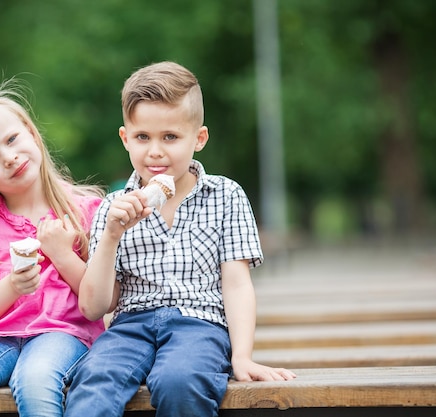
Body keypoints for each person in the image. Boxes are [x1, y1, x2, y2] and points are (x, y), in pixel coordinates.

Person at [64, 62, 296, 417]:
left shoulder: (226, 196)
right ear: (126, 138)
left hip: (199, 323)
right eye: (143, 137)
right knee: (94, 379)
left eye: (170, 137)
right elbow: (96, 308)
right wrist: (111, 236)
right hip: (130, 325)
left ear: (198, 139)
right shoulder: (113, 208)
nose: (155, 151)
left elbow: (236, 285)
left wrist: (242, 355)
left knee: (179, 381)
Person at [0, 82, 105, 417]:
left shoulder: (83, 211)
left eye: (12, 140)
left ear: (31, 132)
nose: (10, 158)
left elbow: (95, 301)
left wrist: (62, 255)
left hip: (61, 332)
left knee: (37, 380)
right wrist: (11, 286)